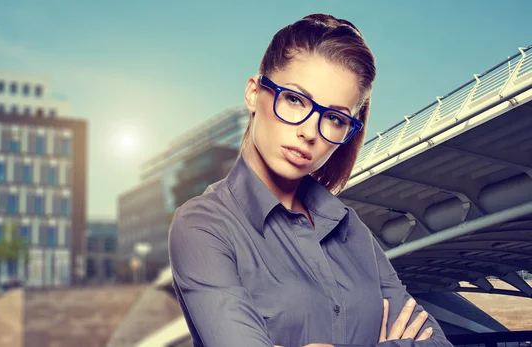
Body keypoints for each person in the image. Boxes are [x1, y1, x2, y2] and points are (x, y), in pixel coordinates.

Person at [168, 13, 453, 347]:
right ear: (253, 92)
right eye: (294, 99)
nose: (308, 132)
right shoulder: (203, 226)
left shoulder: (351, 229)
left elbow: (437, 343)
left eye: (333, 118)